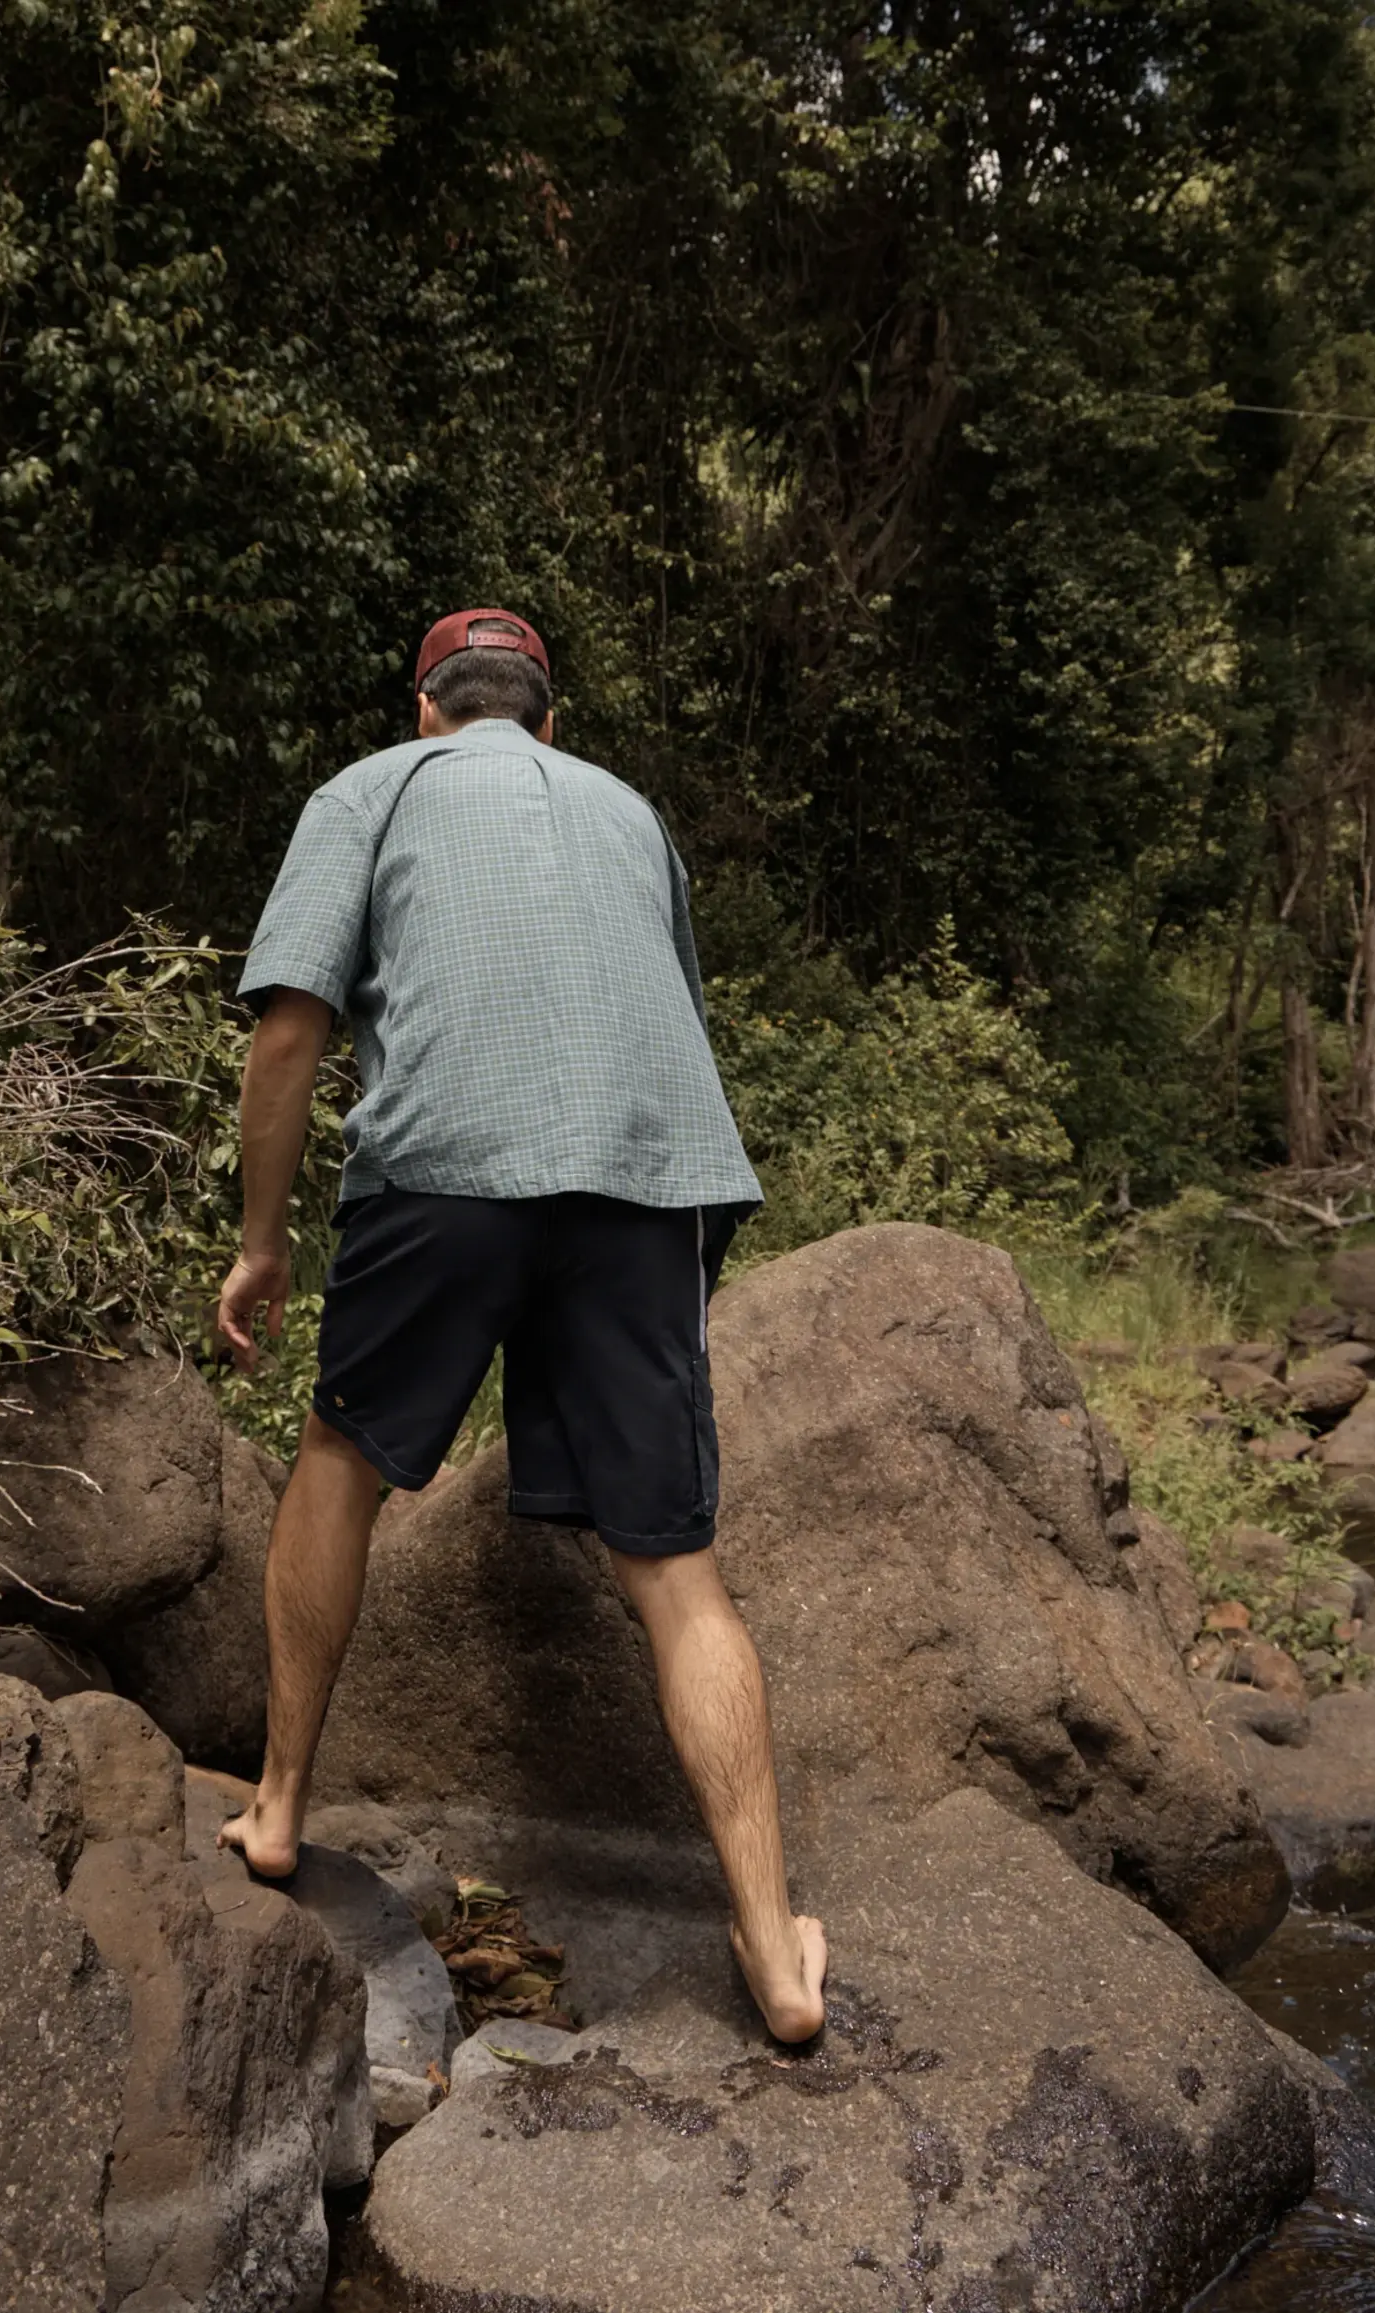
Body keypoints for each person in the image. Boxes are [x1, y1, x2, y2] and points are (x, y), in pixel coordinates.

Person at [214, 608, 827, 2043]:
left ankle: (280, 1807)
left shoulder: (373, 787)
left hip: (444, 1170)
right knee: (679, 1573)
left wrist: (261, 1245)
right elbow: (668, 1014)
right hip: (645, 1181)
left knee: (342, 1462)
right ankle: (779, 1957)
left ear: (428, 708)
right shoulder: (632, 814)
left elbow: (291, 1032)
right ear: (548, 722)